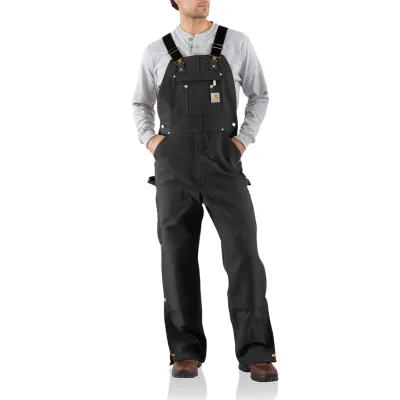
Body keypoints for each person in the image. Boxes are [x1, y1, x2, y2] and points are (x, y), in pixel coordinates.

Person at [132, 0, 278, 383]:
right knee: (177, 257)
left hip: (223, 163)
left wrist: (242, 142)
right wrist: (152, 142)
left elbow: (260, 95)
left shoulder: (236, 42)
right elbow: (140, 103)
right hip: (174, 167)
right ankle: (185, 352)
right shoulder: (156, 51)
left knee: (244, 254)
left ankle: (256, 352)